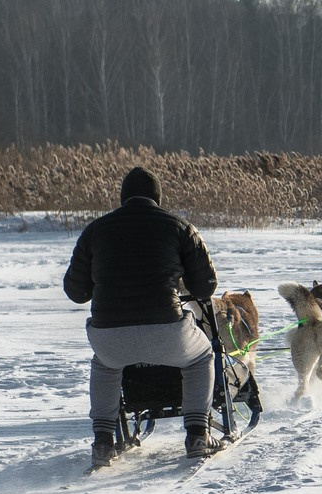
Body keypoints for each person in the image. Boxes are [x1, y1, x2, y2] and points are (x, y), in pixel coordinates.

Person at [64, 166, 221, 467]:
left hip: (110, 334)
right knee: (202, 357)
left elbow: (76, 292)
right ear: (158, 199)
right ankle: (197, 433)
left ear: (122, 198)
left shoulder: (95, 230)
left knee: (105, 365)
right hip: (167, 329)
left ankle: (103, 442)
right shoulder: (180, 227)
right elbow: (206, 286)